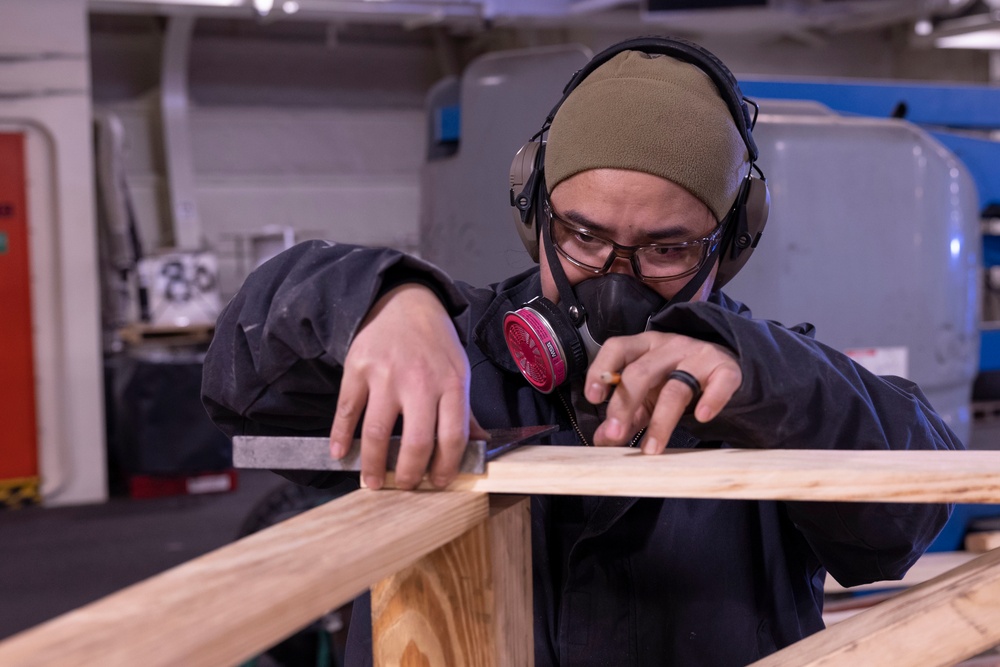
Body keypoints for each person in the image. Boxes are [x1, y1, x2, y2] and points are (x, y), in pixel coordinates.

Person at [202, 36, 963, 666]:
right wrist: (375, 300)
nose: (614, 282)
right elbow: (239, 381)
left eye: (667, 248)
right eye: (583, 235)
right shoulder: (452, 353)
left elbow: (913, 509)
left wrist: (766, 379)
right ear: (534, 211)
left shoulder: (768, 389)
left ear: (728, 246)